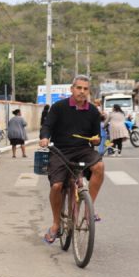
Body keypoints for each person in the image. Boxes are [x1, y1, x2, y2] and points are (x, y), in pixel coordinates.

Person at [39, 75, 105, 244]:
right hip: (60, 150)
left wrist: (96, 139)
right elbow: (47, 126)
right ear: (72, 89)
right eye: (79, 88)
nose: (82, 92)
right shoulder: (58, 107)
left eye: (85, 89)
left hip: (83, 149)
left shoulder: (92, 111)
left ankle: (88, 209)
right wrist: (45, 138)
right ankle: (55, 224)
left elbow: (95, 135)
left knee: (99, 166)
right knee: (57, 186)